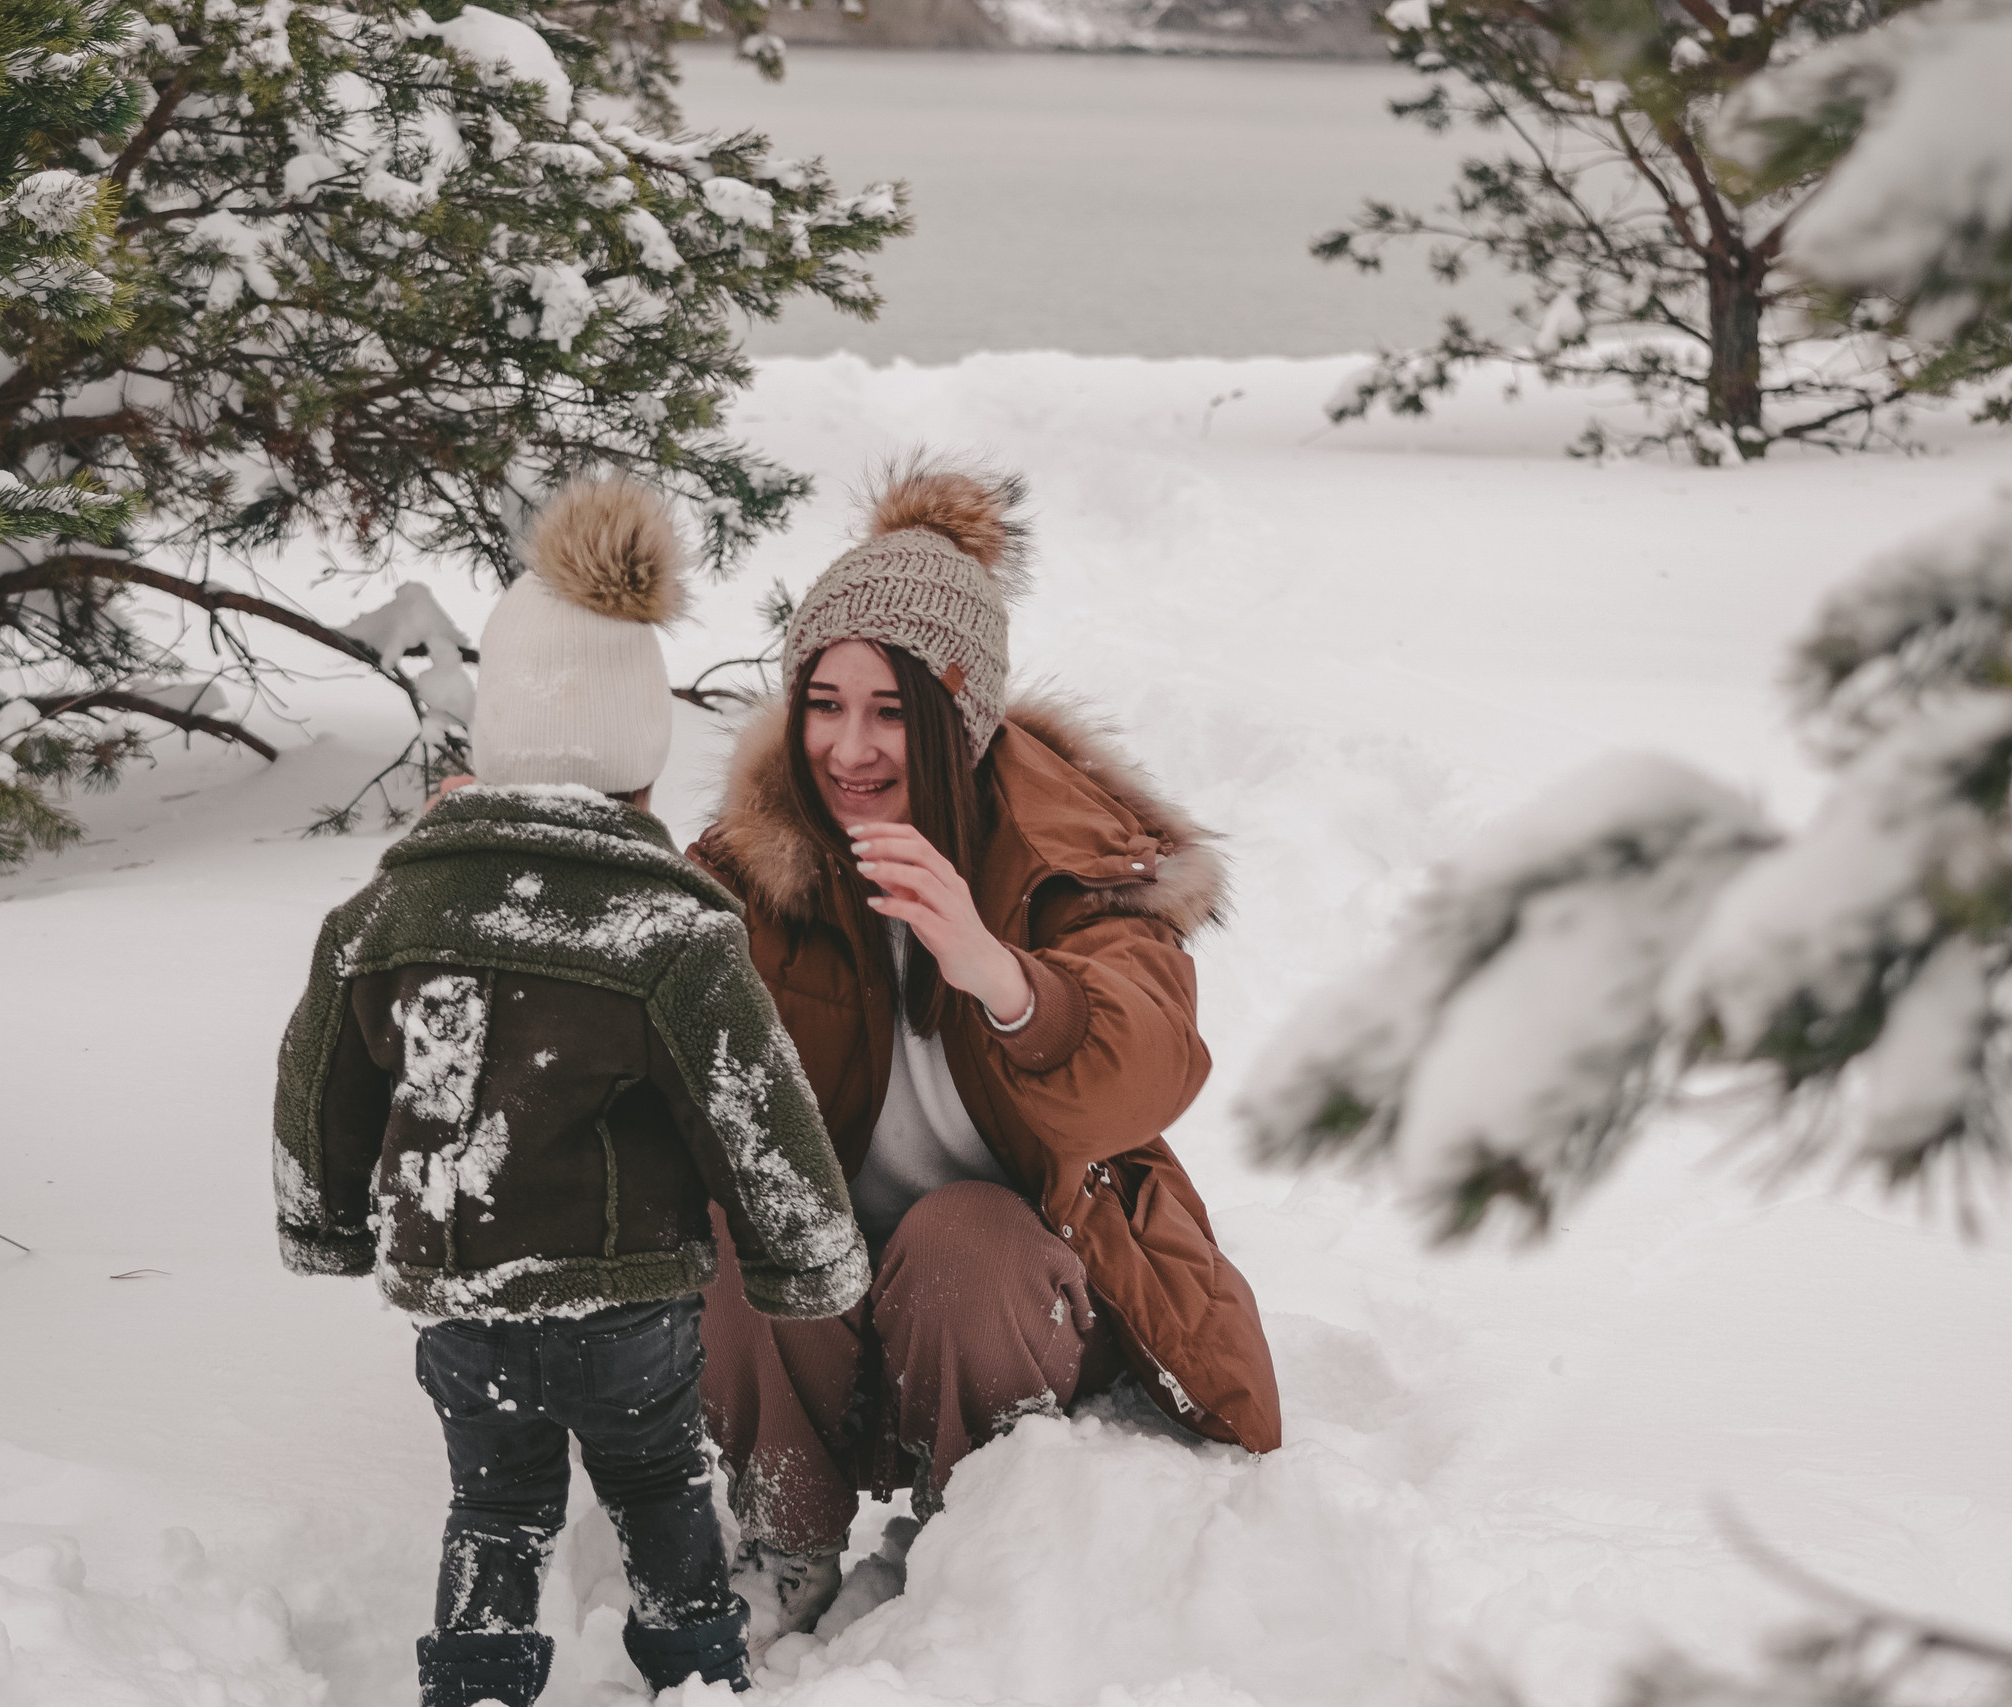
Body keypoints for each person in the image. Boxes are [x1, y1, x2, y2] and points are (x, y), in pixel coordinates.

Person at [269, 477, 869, 1707]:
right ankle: (693, 1667)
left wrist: (321, 1221)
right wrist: (803, 1259)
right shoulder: (671, 934)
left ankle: (481, 1678)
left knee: (492, 1499)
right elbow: (751, 1109)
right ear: (642, 763)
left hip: (463, 1294)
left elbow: (318, 1081)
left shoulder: (385, 912)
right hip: (625, 1310)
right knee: (656, 1488)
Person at [686, 454, 1282, 1638]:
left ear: (958, 719)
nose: (848, 749)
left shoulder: (1082, 861)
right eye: (824, 703)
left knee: (963, 1233)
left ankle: (973, 1529)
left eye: (891, 711)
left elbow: (1144, 1071)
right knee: (739, 1227)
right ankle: (785, 1534)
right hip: (819, 1307)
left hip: (1021, 1296)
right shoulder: (748, 868)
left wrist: (997, 973)